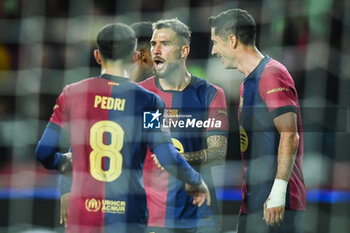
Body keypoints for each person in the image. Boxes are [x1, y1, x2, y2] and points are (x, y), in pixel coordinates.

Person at [35, 23, 211, 233]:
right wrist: (194, 180)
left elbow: (45, 152)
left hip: (85, 214)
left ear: (97, 56)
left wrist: (64, 163)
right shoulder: (149, 101)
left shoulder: (73, 94)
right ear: (134, 56)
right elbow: (165, 153)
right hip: (129, 214)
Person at [209, 9, 306, 233]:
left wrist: (278, 193)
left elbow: (289, 134)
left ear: (232, 40)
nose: (213, 50)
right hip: (254, 202)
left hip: (277, 205)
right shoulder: (247, 82)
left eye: (216, 42)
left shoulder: (271, 74)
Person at [59, 21, 155, 223]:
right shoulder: (108, 96)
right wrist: (66, 190)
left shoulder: (156, 100)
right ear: (140, 56)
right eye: (154, 51)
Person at [141, 19, 229, 233]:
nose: (156, 50)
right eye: (153, 44)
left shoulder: (211, 94)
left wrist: (174, 160)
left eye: (165, 44)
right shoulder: (141, 95)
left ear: (184, 51)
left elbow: (218, 153)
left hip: (200, 213)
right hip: (154, 216)